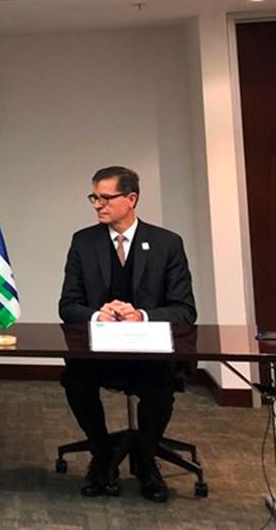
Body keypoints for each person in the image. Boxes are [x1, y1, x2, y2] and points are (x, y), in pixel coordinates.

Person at [59, 166, 197, 503]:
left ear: (131, 199)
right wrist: (97, 314)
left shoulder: (167, 243)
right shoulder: (84, 242)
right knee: (75, 380)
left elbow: (185, 311)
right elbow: (68, 305)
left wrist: (142, 316)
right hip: (99, 351)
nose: (98, 205)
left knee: (160, 386)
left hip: (149, 352)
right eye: (94, 197)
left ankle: (146, 462)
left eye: (106, 198)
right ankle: (101, 455)